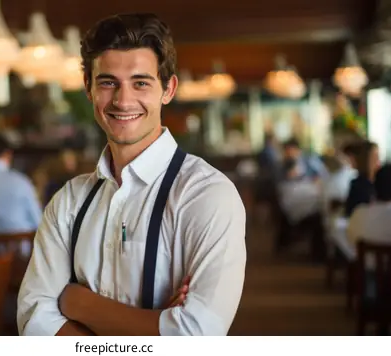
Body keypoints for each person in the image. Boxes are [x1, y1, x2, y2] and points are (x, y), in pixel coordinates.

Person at [17, 13, 246, 336]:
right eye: (108, 82)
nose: (123, 101)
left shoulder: (207, 194)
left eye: (141, 83)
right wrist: (151, 327)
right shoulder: (69, 200)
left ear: (168, 89)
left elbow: (195, 334)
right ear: (89, 89)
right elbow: (33, 320)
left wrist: (77, 303)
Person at [344, 141, 380, 217]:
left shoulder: (381, 182)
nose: (378, 162)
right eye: (374, 157)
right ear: (365, 160)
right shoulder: (358, 185)